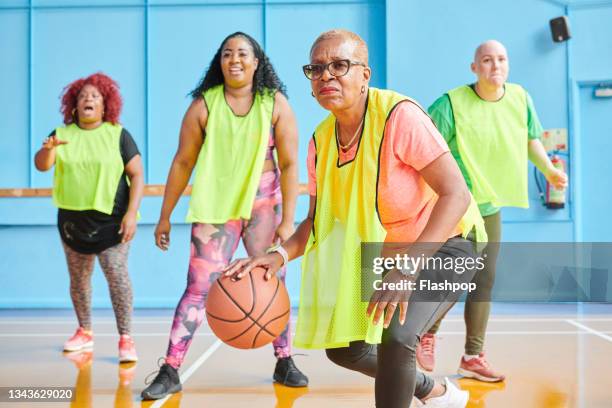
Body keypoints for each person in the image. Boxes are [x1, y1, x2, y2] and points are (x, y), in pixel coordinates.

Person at [224, 29, 489, 408]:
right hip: (392, 254)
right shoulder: (321, 140)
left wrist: (409, 268)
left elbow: (457, 195)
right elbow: (316, 222)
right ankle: (435, 391)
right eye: (316, 69)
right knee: (345, 349)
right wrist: (277, 255)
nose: (326, 76)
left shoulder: (400, 116)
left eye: (339, 65)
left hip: (449, 242)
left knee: (397, 339)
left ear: (365, 75)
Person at [141, 32, 307, 400]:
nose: (235, 59)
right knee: (197, 289)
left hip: (265, 204)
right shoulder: (203, 106)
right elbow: (183, 162)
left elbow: (292, 162)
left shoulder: (275, 103)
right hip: (216, 210)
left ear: (256, 62)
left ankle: (285, 360)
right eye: (227, 54)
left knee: (271, 283)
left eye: (243, 53)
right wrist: (164, 215)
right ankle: (170, 368)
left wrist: (288, 218)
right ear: (219, 63)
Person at [418, 40, 568, 382]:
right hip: (454, 206)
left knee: (483, 280)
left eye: (501, 59)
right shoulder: (450, 104)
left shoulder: (520, 98)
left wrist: (548, 170)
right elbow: (422, 148)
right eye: (486, 60)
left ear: (508, 65)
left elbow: (531, 139)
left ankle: (472, 356)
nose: (494, 66)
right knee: (454, 277)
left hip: (488, 207)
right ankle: (425, 333)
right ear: (474, 68)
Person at [34, 72, 144, 363]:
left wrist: (132, 214)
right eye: (83, 96)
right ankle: (84, 332)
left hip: (114, 220)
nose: (88, 99)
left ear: (106, 105)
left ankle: (126, 338)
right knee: (79, 280)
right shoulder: (62, 134)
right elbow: (42, 166)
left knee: (116, 274)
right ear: (73, 105)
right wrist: (47, 150)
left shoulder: (118, 134)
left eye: (95, 96)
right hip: (73, 222)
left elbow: (137, 174)